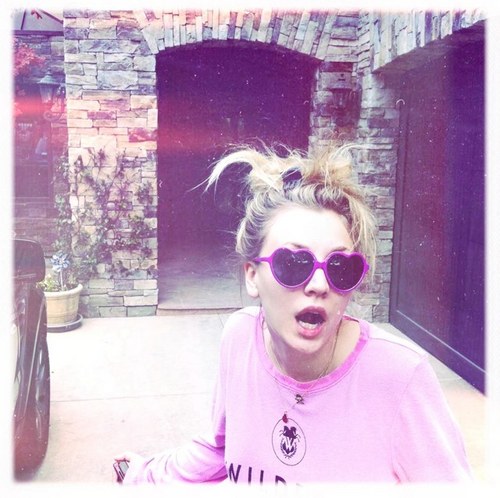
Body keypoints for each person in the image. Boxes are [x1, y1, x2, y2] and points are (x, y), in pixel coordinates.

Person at [115, 144, 472, 484]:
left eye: (340, 267)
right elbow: (219, 448)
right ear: (252, 275)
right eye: (294, 263)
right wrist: (145, 474)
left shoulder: (400, 375)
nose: (319, 284)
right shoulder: (239, 338)